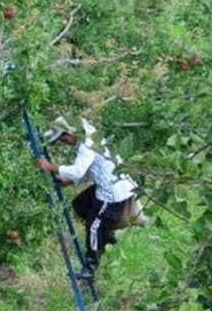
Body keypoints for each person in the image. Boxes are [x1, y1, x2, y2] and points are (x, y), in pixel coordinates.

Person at [38, 115, 138, 281]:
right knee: (80, 204)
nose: (64, 142)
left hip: (112, 191)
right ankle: (105, 235)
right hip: (108, 183)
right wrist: (70, 181)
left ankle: (90, 267)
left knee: (93, 225)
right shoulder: (90, 139)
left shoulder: (87, 144)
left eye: (63, 138)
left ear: (69, 133)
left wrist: (51, 167)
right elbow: (93, 170)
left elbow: (78, 170)